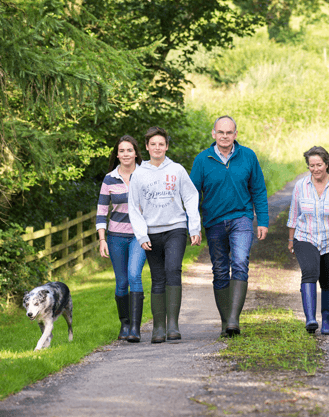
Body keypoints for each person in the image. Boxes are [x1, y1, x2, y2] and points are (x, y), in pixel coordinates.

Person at [190, 115, 269, 337]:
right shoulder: (202, 160)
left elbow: (259, 190)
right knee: (220, 269)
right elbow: (191, 195)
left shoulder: (248, 156)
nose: (225, 137)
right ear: (214, 134)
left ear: (235, 134)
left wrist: (262, 220)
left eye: (229, 132)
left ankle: (234, 319)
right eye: (221, 132)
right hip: (214, 221)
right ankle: (226, 322)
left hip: (241, 218)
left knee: (241, 262)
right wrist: (193, 226)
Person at [128, 127, 201, 343]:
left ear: (166, 147)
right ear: (147, 148)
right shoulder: (139, 174)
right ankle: (158, 327)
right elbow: (134, 207)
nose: (157, 148)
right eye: (153, 144)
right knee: (157, 277)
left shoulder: (177, 170)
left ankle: (173, 326)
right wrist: (141, 236)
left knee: (173, 270)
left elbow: (190, 197)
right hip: (152, 233)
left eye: (161, 144)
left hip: (175, 228)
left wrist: (194, 227)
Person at [287, 146, 329, 335]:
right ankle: (310, 319)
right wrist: (291, 238)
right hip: (305, 236)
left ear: (327, 164)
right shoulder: (301, 186)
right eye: (311, 166)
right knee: (310, 272)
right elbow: (294, 214)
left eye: (319, 165)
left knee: (328, 281)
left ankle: (327, 322)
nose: (315, 169)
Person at [96, 135, 147, 343]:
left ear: (136, 153)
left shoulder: (145, 175)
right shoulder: (109, 179)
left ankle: (135, 327)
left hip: (139, 236)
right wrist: (102, 239)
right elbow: (101, 212)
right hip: (116, 236)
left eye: (129, 150)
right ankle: (125, 323)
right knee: (121, 282)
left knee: (135, 275)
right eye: (122, 151)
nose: (126, 154)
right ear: (117, 155)